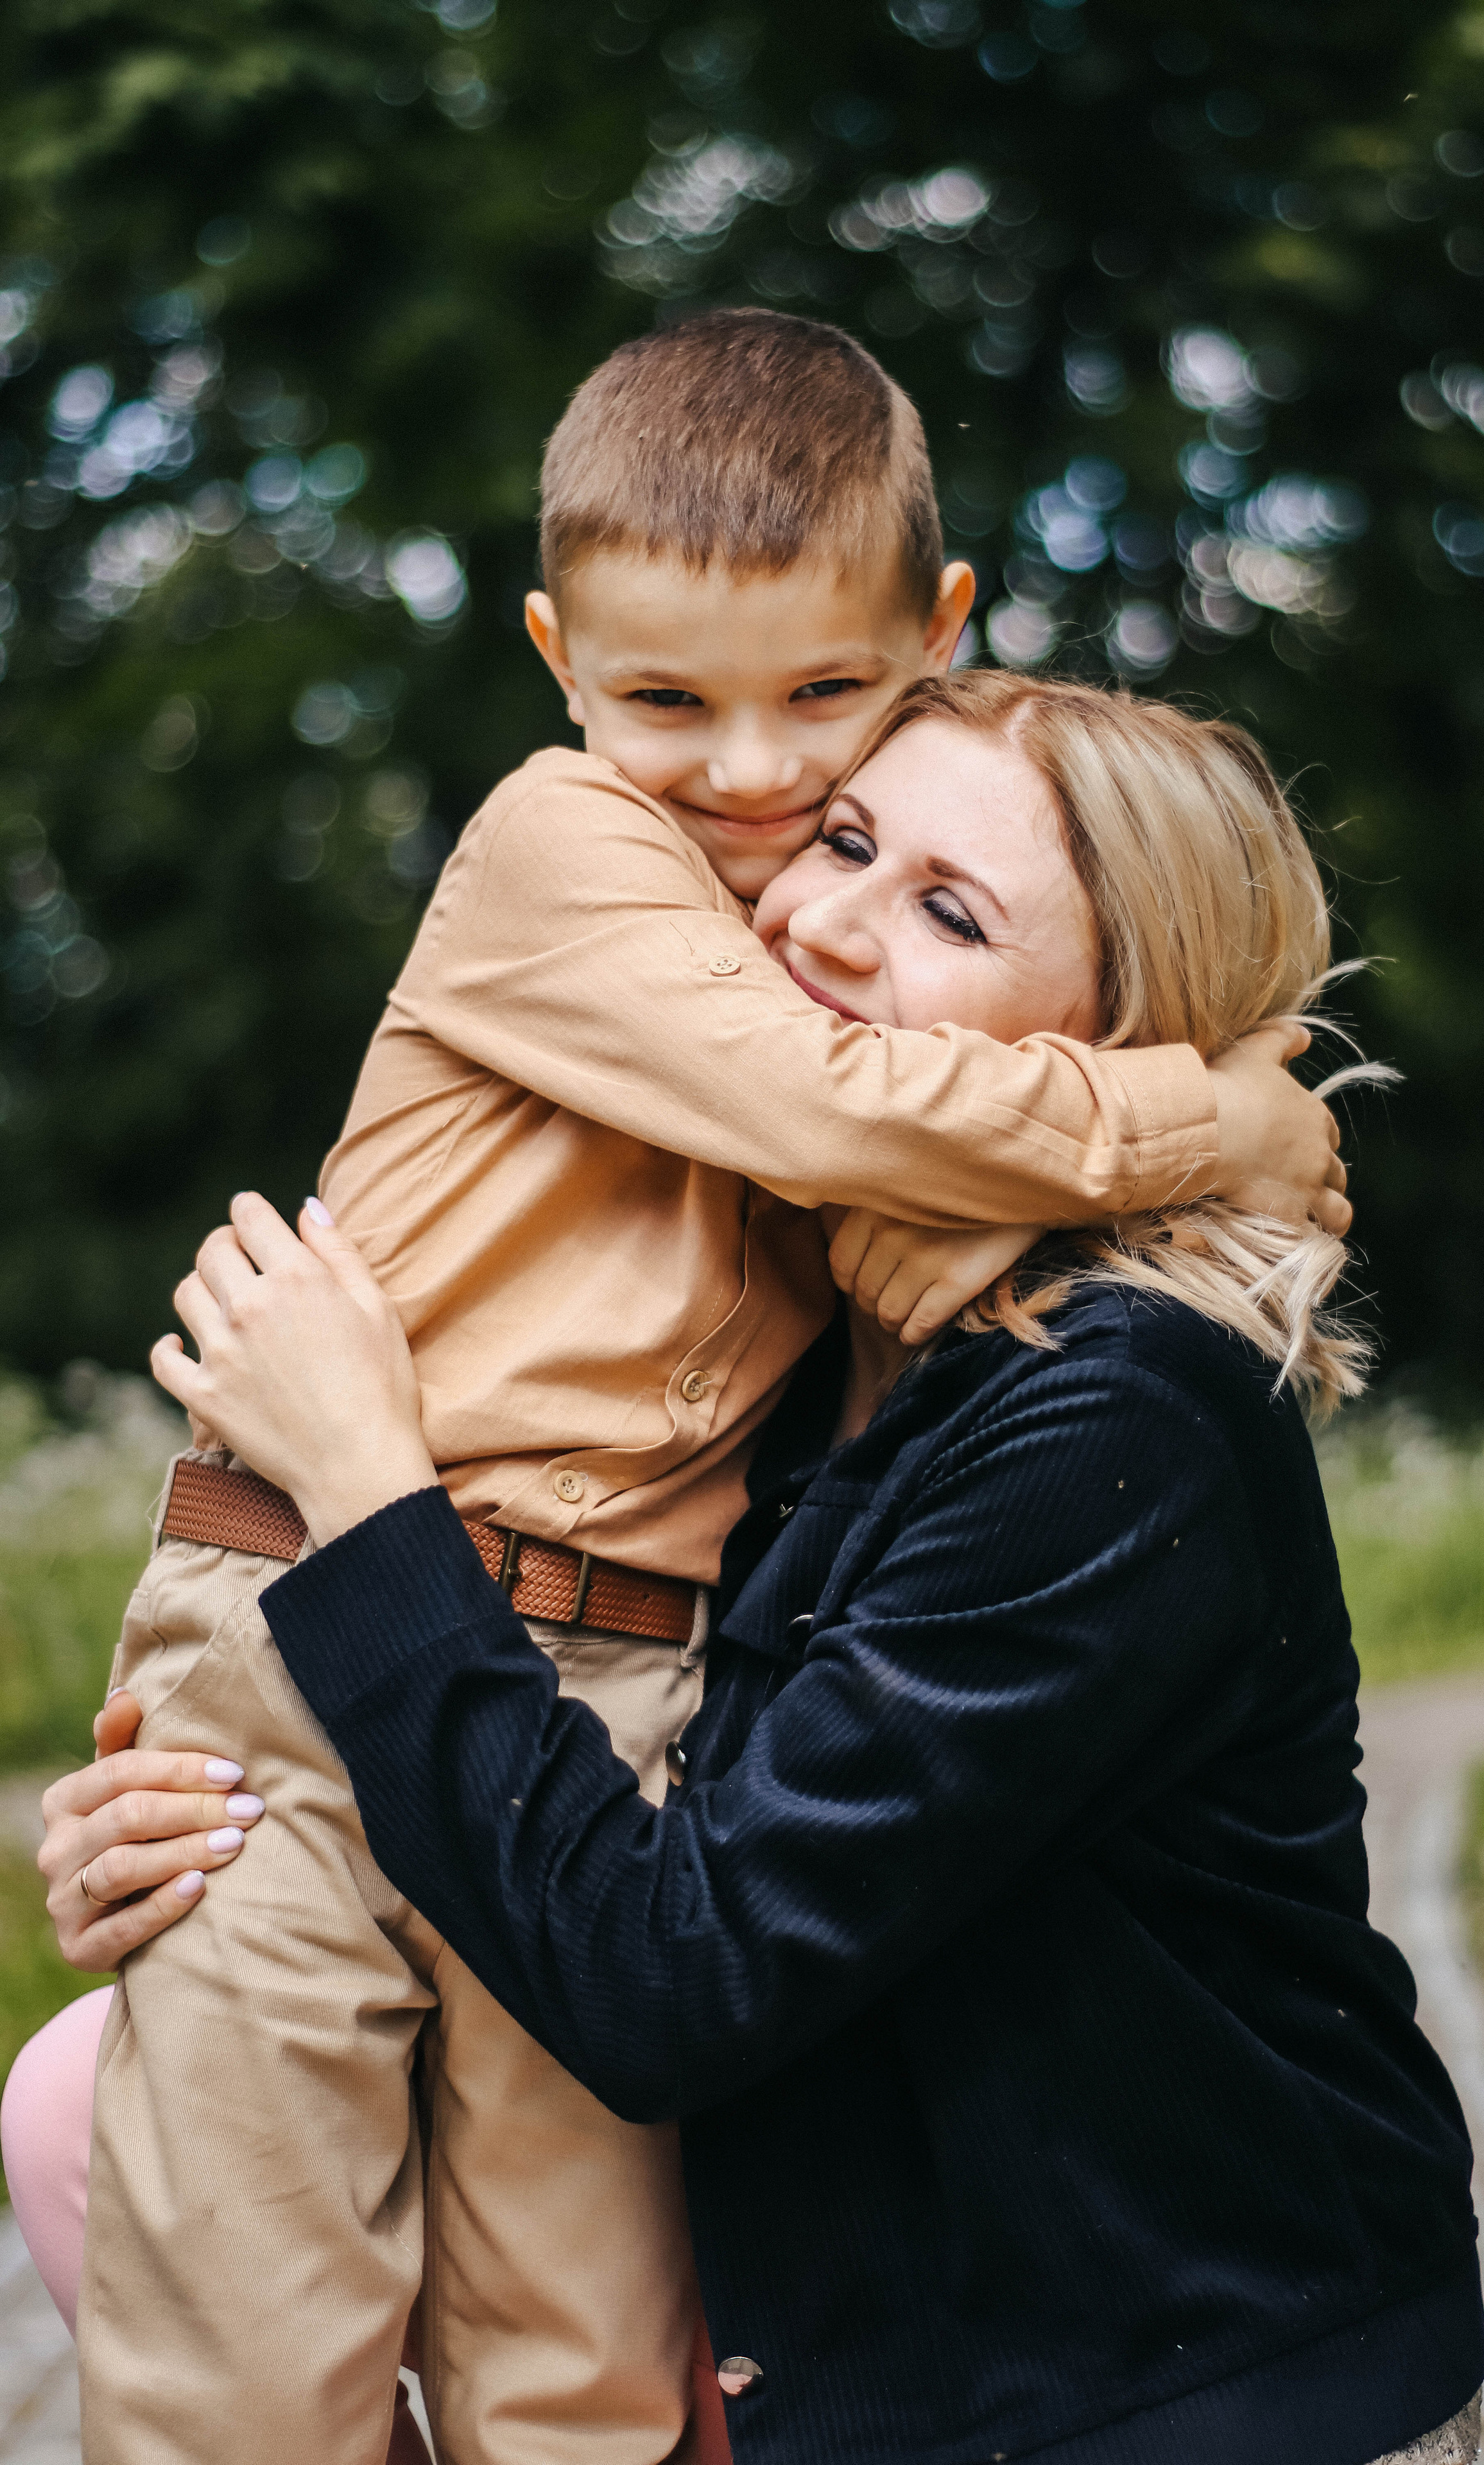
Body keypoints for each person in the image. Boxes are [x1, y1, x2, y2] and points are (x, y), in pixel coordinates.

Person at [5, 314, 1346, 2465]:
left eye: (823, 703)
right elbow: (823, 1108)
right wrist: (1217, 1121)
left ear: (935, 629)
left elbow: (888, 1174)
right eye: (670, 705)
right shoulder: (567, 854)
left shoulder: (1066, 1379)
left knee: (590, 2362)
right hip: (319, 1635)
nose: (748, 780)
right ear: (558, 662)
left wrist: (1129, 1157)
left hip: (613, 1709)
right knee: (243, 2348)